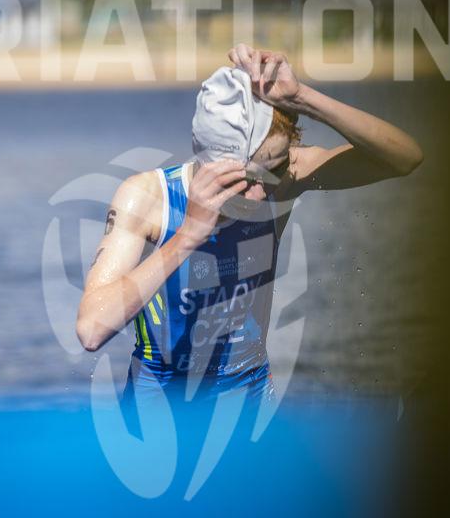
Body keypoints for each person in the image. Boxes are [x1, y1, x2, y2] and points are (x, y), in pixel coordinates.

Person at [76, 43, 423, 405]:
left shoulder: (285, 179)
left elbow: (405, 158)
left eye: (275, 169)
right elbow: (91, 329)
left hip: (251, 406)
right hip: (158, 412)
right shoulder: (150, 198)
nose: (261, 195)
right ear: (211, 163)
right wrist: (188, 236)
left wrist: (303, 99)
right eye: (245, 179)